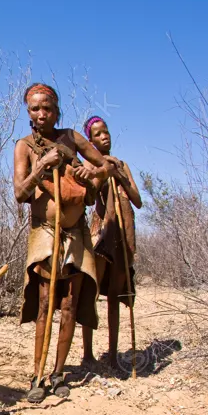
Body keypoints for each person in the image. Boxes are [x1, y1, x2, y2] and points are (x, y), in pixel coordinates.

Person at [13, 83, 115, 402]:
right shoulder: (25, 146)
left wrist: (90, 178)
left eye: (47, 108)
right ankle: (37, 374)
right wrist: (42, 166)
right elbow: (20, 193)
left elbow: (105, 166)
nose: (41, 114)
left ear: (57, 110)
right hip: (45, 232)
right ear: (28, 112)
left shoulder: (71, 138)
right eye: (35, 108)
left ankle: (58, 374)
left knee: (69, 305)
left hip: (77, 234)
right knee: (45, 303)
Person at [79, 116, 143, 369]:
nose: (104, 136)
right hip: (102, 235)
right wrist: (104, 171)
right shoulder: (90, 164)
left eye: (105, 132)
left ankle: (114, 354)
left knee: (116, 295)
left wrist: (120, 175)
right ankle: (87, 354)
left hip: (122, 238)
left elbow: (137, 200)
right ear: (91, 140)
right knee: (91, 293)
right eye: (97, 134)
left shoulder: (122, 165)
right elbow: (89, 194)